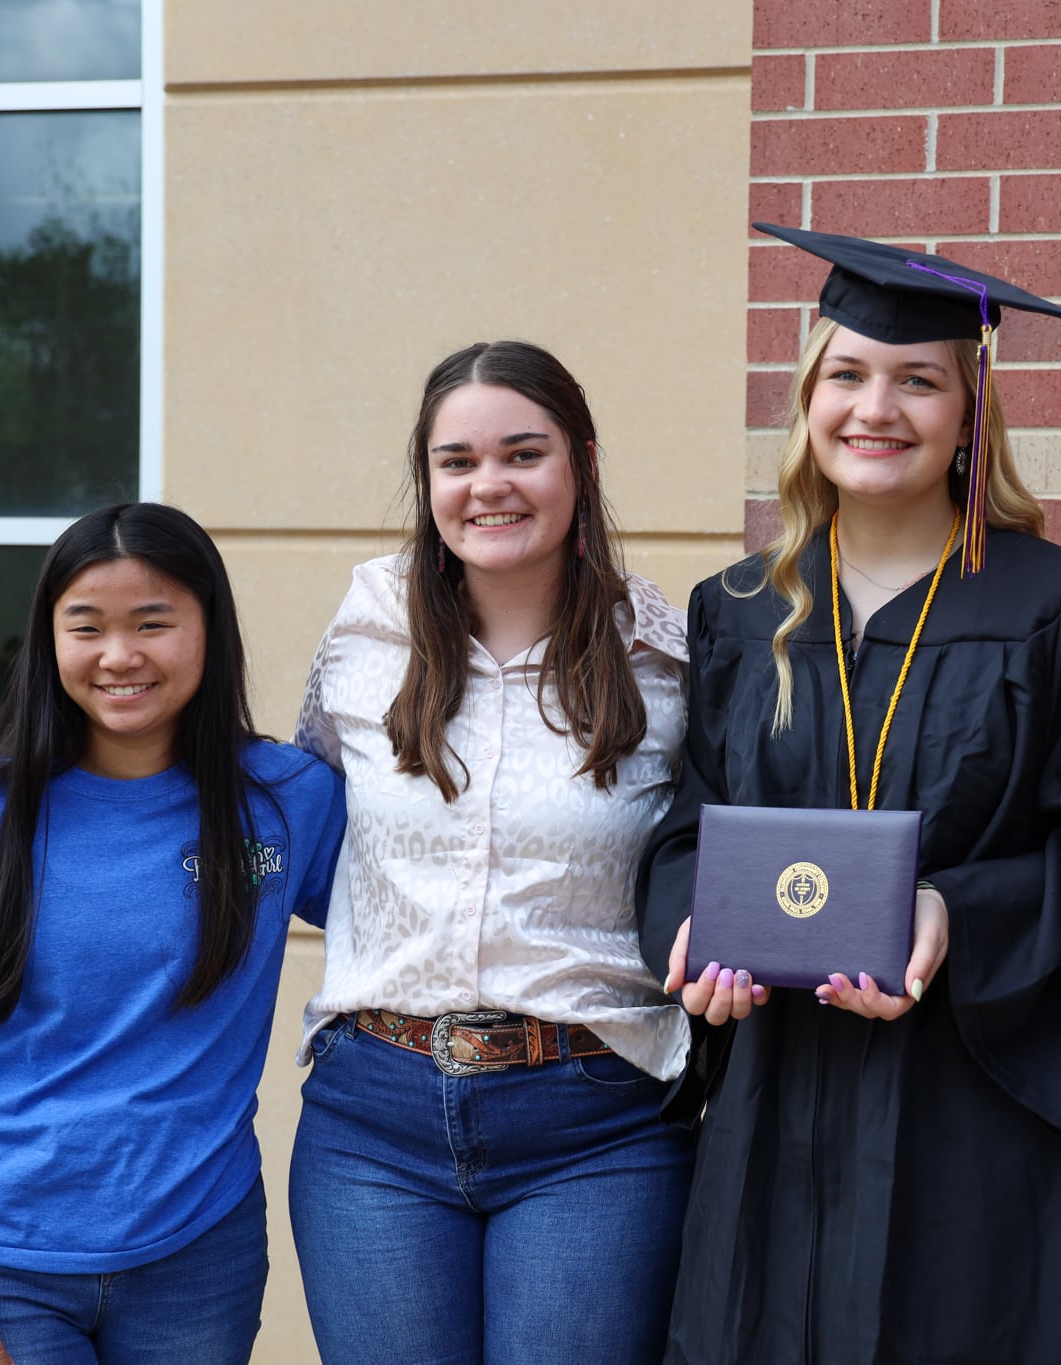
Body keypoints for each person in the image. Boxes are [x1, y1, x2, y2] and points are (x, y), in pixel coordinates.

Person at [637, 225, 1061, 1365]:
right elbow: (685, 824)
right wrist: (690, 934)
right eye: (847, 375)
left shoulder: (1060, 607)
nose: (876, 408)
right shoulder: (739, 610)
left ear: (969, 414)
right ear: (807, 401)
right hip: (772, 1095)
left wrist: (954, 911)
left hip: (968, 1101)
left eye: (918, 380)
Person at [0, 502, 345, 1365]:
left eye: (153, 623)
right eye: (86, 627)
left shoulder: (284, 799)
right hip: (7, 1258)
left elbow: (421, 922)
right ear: (49, 640)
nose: (120, 655)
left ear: (209, 628)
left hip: (202, 1251)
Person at [288, 340, 693, 1365]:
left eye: (523, 453)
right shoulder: (363, 634)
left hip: (594, 1123)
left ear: (581, 464)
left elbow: (698, 861)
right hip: (372, 1118)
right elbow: (319, 831)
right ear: (426, 480)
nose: (488, 485)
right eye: (456, 461)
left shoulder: (667, 659)